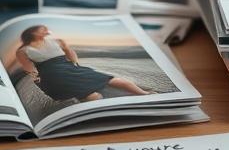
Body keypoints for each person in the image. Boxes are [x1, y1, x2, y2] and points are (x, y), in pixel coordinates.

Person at [14, 25, 152, 102]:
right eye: (42, 29)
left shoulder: (57, 40)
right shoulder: (23, 50)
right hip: (51, 75)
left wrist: (75, 63)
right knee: (94, 97)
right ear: (32, 33)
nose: (46, 30)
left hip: (69, 67)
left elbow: (69, 51)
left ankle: (143, 94)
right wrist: (38, 80)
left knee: (115, 80)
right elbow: (28, 68)